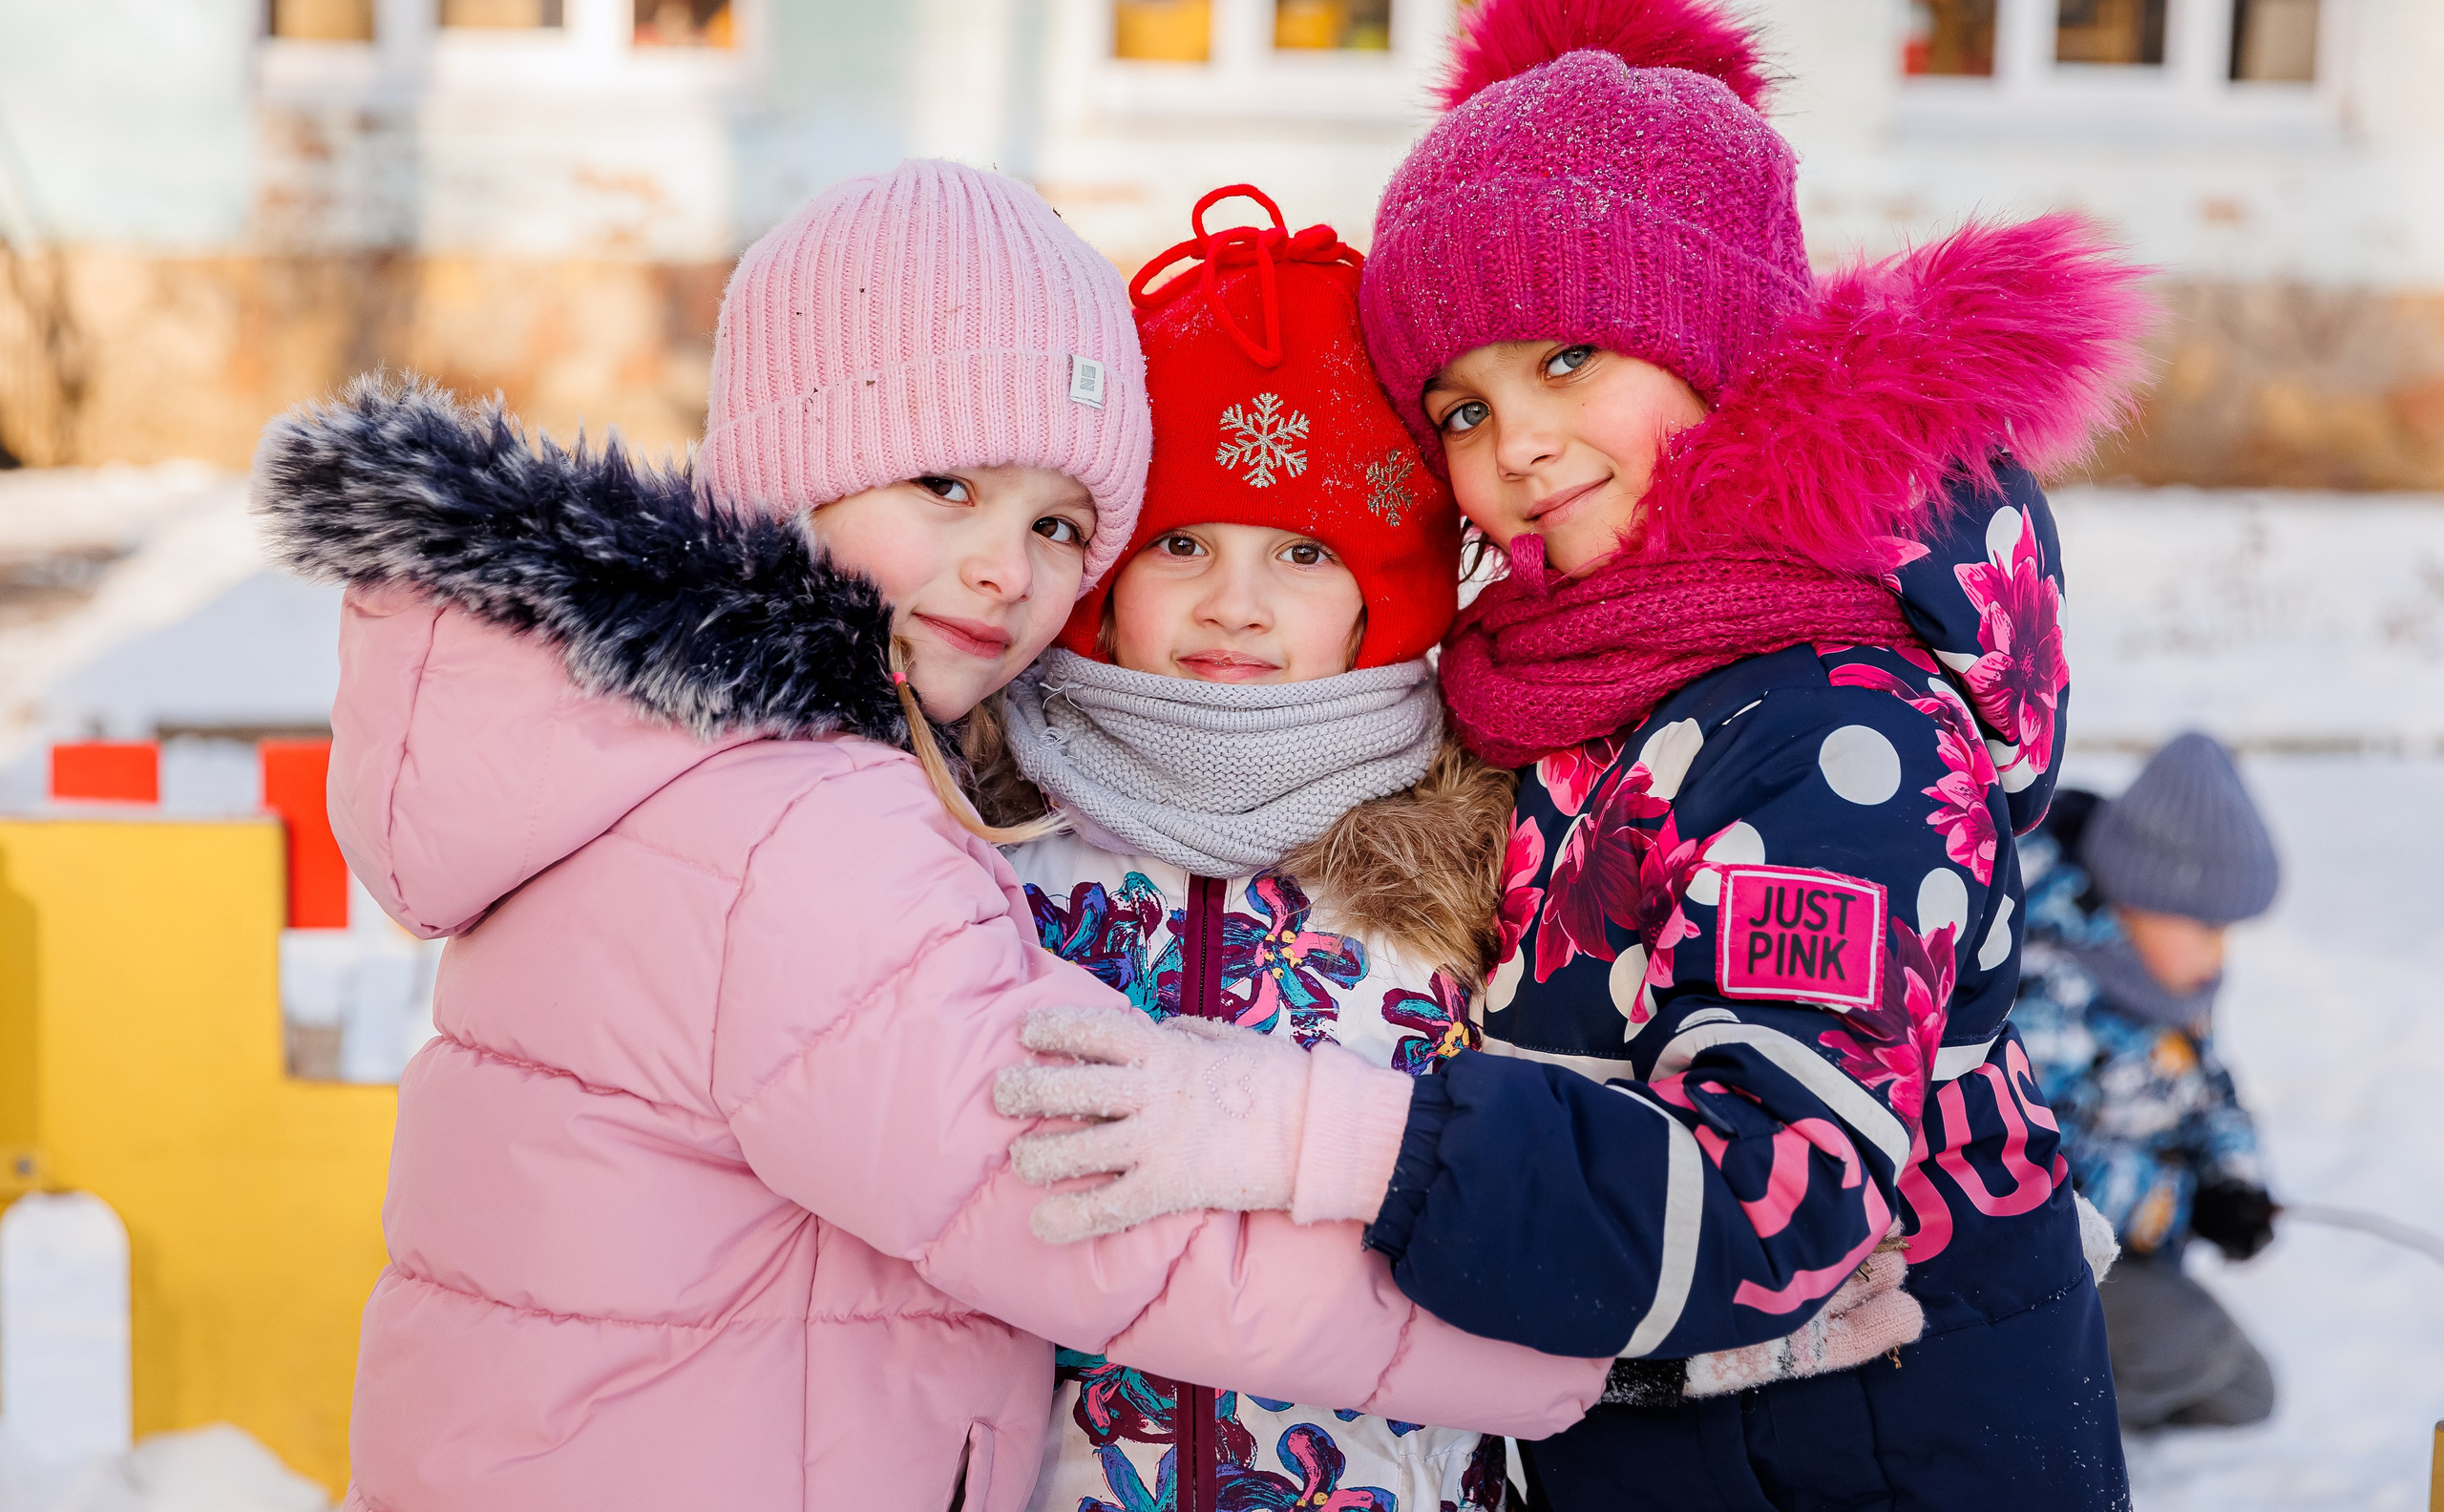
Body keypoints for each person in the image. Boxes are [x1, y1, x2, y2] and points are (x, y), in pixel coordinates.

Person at [247, 159, 1611, 1512]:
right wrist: (1595, 1351)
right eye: (945, 486)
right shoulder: (804, 818)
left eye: (1057, 521)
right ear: (799, 467)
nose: (1003, 568)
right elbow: (1074, 1210)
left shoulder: (698, 747)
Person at [993, 0, 2148, 1508]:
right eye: (1460, 407)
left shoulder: (1840, 726)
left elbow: (1776, 1200)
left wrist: (1327, 1138)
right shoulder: (1586, 686)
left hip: (1863, 1456)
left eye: (1565, 357)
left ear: (1720, 338)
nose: (1517, 442)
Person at [986, 188, 1925, 1512]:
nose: (1233, 605)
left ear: (1391, 588)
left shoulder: (1491, 851)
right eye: (1179, 544)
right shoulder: (986, 836)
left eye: (1306, 551)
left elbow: (1546, 1194)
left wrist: (1692, 1356)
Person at [2016, 731, 2283, 1431]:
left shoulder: (2172, 983)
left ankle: (2084, 1387)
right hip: (2038, 1259)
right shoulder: (2048, 981)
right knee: (2189, 1338)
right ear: (2137, 895)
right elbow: (2042, 1161)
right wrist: (2179, 1203)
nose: (2219, 951)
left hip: (2130, 1256)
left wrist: (2233, 1180)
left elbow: (2210, 1089)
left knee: (2245, 1393)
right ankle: (2015, 1424)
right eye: (2205, 924)